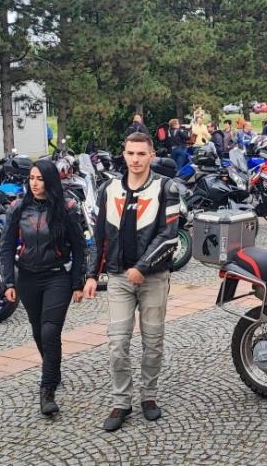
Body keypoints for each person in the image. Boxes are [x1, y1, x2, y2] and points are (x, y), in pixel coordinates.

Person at [83, 131, 181, 432]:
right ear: (123, 155)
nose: (135, 159)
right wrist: (90, 275)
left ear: (151, 155)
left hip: (153, 278)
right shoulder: (108, 189)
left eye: (141, 153)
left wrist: (142, 266)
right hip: (117, 278)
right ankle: (121, 401)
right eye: (130, 153)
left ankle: (148, 396)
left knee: (153, 342)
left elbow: (170, 236)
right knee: (117, 343)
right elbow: (98, 235)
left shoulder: (167, 188)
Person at [0, 160, 88, 416]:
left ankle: (47, 389)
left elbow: (80, 247)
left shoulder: (66, 208)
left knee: (50, 331)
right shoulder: (18, 207)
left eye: (40, 179)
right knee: (38, 331)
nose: (35, 183)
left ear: (50, 180)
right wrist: (8, 281)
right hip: (27, 277)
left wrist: (78, 282)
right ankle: (53, 370)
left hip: (56, 277)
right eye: (32, 178)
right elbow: (6, 246)